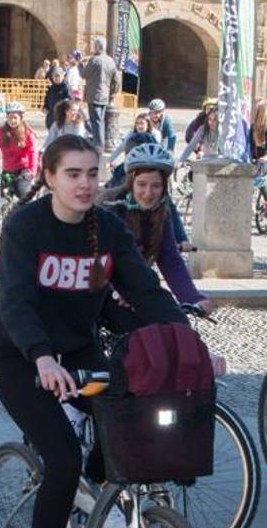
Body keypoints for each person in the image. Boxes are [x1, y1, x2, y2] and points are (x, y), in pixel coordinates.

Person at [0, 133, 186, 528]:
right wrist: (42, 357)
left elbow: (146, 290)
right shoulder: (26, 226)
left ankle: (88, 496)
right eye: (73, 174)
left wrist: (188, 342)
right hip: (22, 354)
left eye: (93, 173)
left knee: (126, 425)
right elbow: (16, 303)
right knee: (63, 458)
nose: (85, 184)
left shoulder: (107, 228)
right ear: (50, 176)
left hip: (77, 350)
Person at [100, 143, 213, 322]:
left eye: (156, 186)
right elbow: (99, 259)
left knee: (176, 325)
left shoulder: (161, 213)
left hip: (137, 288)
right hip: (100, 290)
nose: (148, 193)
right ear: (131, 182)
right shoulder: (111, 208)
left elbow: (170, 260)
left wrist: (193, 298)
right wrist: (117, 289)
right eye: (142, 185)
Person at [0, 103, 39, 193]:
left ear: (21, 118)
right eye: (10, 117)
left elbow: (33, 152)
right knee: (5, 197)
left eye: (15, 118)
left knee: (23, 193)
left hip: (23, 171)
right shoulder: (0, 132)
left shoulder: (27, 133)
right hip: (7, 171)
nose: (12, 121)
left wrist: (31, 171)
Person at [82, 37, 119, 149]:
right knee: (101, 120)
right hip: (105, 96)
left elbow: (84, 74)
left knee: (96, 121)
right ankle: (100, 143)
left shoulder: (94, 60)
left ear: (97, 47)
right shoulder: (111, 61)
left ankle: (98, 145)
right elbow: (116, 81)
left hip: (94, 95)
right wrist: (111, 94)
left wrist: (80, 65)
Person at [105, 111, 158, 187]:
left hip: (149, 164)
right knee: (117, 173)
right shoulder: (131, 135)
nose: (139, 126)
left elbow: (157, 150)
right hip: (132, 163)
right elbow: (121, 148)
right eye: (137, 123)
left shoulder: (155, 135)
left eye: (142, 123)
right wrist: (110, 160)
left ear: (148, 124)